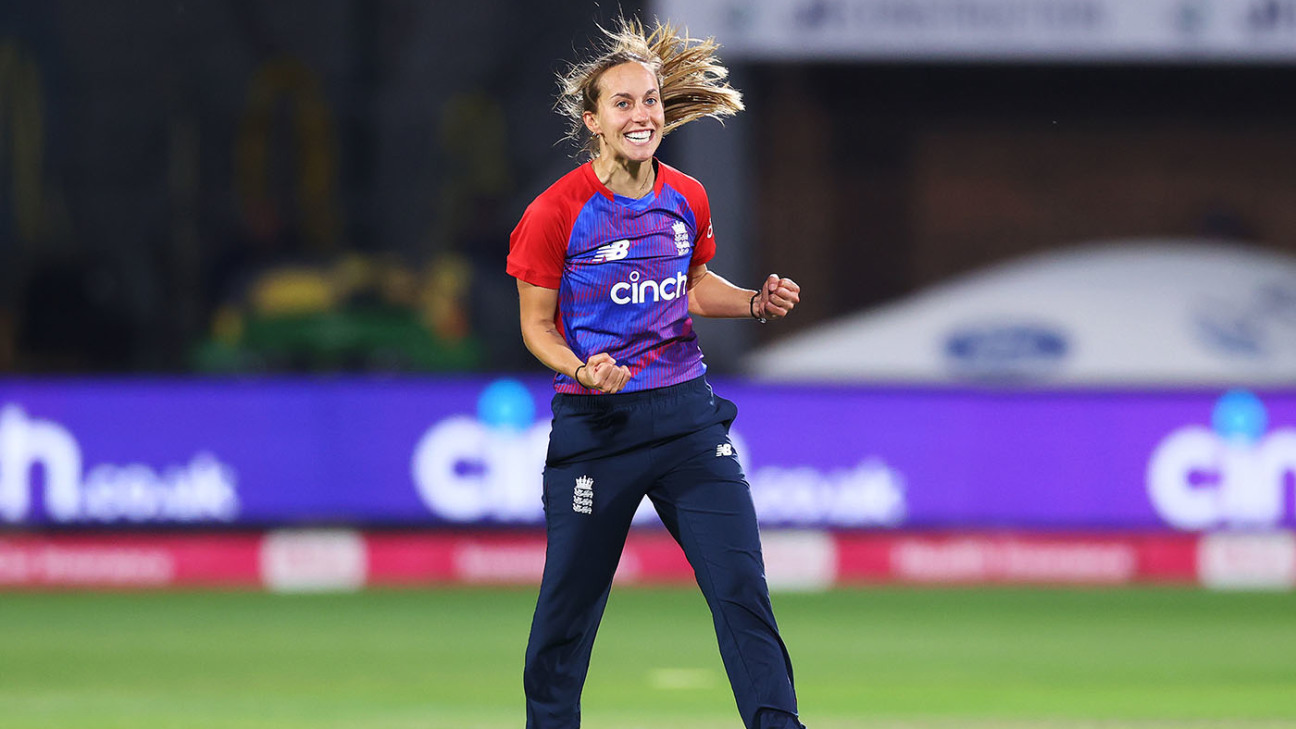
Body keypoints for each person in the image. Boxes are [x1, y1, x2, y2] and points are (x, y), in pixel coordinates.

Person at [506, 18, 805, 729]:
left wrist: (753, 302)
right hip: (598, 429)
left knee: (741, 588)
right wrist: (583, 368)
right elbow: (536, 327)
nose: (641, 115)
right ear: (593, 121)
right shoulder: (554, 213)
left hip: (687, 421)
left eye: (650, 101)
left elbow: (692, 286)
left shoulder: (687, 196)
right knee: (567, 615)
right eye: (623, 103)